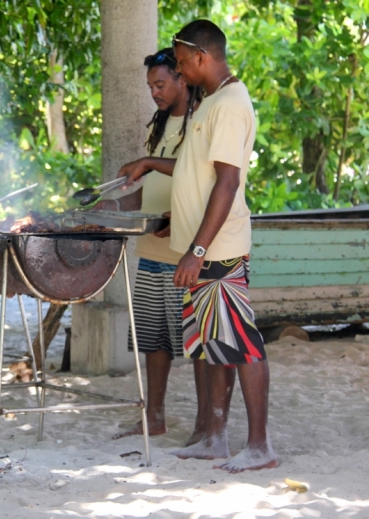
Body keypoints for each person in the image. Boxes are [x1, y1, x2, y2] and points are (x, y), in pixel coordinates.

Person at [119, 19, 278, 473]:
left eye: (184, 63)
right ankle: (214, 438)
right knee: (213, 345)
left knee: (242, 343)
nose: (181, 72)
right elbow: (197, 173)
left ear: (203, 57)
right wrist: (177, 213)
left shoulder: (230, 103)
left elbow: (227, 183)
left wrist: (199, 250)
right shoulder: (211, 102)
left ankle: (260, 446)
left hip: (220, 250)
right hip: (201, 245)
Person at [104, 48, 205, 443]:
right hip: (152, 249)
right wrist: (109, 209)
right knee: (153, 339)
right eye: (150, 87)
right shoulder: (160, 125)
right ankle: (155, 417)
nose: (155, 93)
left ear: (183, 78)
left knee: (197, 344)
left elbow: (202, 175)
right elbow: (149, 193)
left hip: (188, 251)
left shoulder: (201, 121)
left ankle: (204, 425)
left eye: (160, 84)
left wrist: (147, 161)